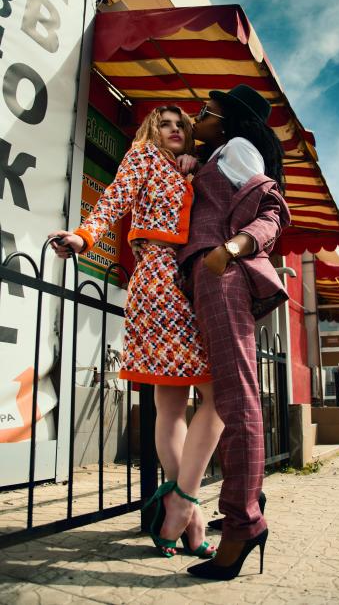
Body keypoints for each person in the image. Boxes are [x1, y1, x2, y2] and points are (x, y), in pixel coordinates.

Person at [49, 106, 224, 559]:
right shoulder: (142, 157)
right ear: (151, 130)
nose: (173, 131)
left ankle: (179, 505)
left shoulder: (190, 169)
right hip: (158, 278)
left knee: (185, 403)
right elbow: (114, 199)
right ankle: (189, 509)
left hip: (188, 278)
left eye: (181, 126)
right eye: (164, 123)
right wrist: (84, 238)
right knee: (196, 400)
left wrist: (193, 170)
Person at [176, 84, 291, 580]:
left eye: (205, 113)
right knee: (229, 398)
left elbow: (275, 209)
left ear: (227, 123)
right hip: (208, 275)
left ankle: (244, 522)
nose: (196, 119)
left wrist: (235, 246)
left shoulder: (237, 150)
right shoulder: (214, 157)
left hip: (220, 273)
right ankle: (244, 506)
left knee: (237, 397)